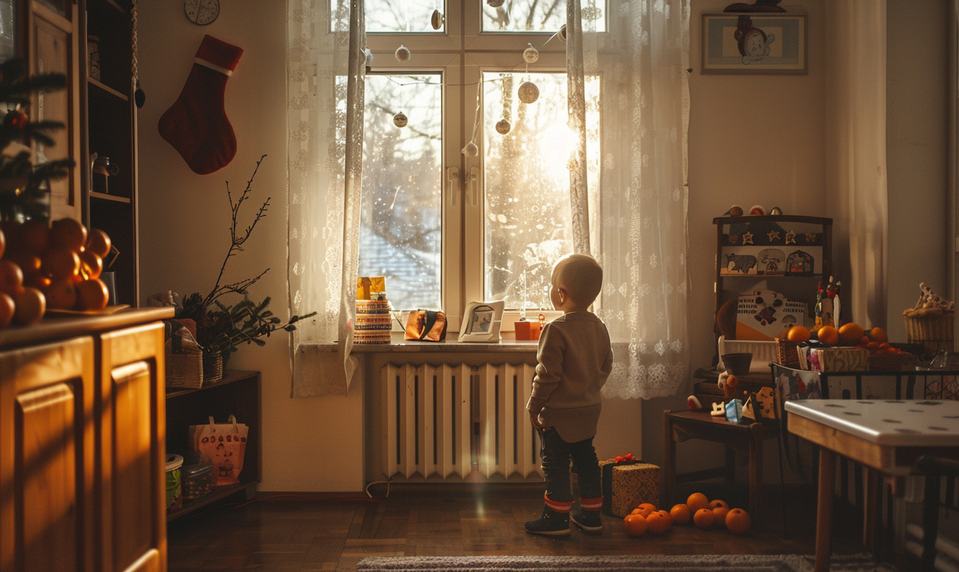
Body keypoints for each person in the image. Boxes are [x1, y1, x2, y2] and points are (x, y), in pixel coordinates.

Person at [525, 253, 613, 536]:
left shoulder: (555, 330)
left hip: (559, 413)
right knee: (586, 460)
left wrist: (533, 405)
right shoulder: (599, 327)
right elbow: (606, 364)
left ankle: (557, 519)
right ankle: (591, 515)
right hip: (589, 409)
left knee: (555, 462)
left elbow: (547, 375)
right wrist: (589, 386)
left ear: (560, 293)